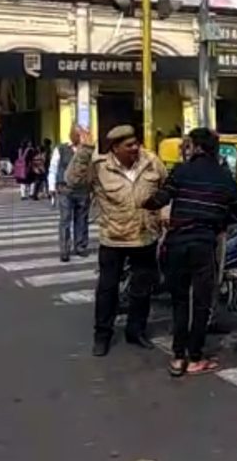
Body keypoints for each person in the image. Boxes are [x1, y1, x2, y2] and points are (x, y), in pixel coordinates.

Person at [144, 128, 237, 377]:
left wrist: (141, 201)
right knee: (201, 303)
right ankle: (195, 357)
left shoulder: (181, 171)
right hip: (203, 245)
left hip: (176, 243)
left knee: (180, 301)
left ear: (195, 147)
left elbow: (160, 199)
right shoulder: (223, 177)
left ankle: (177, 358)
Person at [65, 124, 168, 357]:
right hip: (114, 239)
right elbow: (72, 180)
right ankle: (102, 336)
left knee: (142, 289)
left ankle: (136, 331)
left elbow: (166, 189)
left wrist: (164, 212)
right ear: (115, 148)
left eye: (136, 143)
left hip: (145, 237)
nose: (135, 148)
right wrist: (85, 149)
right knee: (107, 290)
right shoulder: (100, 167)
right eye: (128, 145)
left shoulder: (151, 161)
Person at [50, 127, 91, 262]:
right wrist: (51, 187)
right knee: (65, 220)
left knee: (82, 219)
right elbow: (53, 168)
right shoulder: (61, 149)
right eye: (76, 134)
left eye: (80, 134)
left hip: (83, 190)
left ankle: (80, 246)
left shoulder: (88, 150)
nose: (78, 136)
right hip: (65, 189)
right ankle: (65, 250)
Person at [42, 138, 56, 206]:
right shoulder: (49, 150)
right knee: (48, 180)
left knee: (46, 180)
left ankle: (47, 193)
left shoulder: (46, 150)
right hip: (48, 166)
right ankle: (48, 193)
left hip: (46, 166)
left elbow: (45, 159)